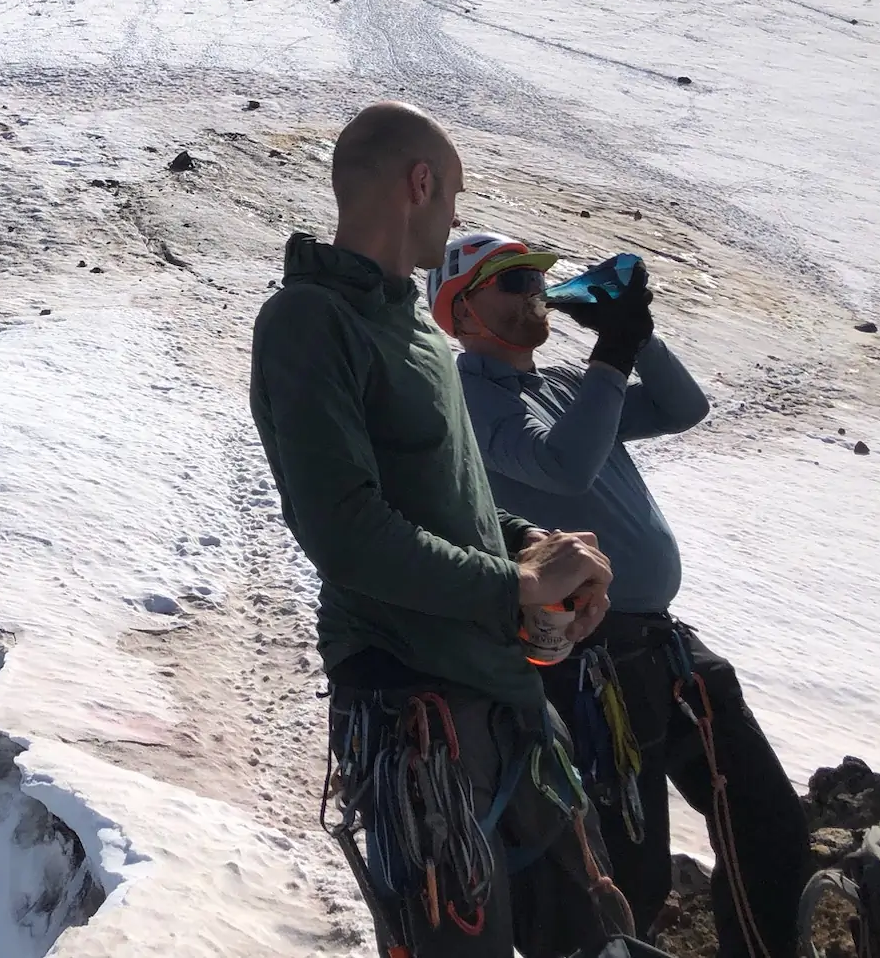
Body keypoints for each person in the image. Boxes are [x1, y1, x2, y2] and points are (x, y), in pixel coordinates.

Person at [249, 103, 632, 958]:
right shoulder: (308, 322)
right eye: (452, 192)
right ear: (419, 182)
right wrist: (513, 587)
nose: (456, 215)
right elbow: (343, 530)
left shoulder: (411, 328)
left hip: (495, 697)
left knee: (585, 936)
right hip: (412, 710)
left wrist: (531, 542)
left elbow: (449, 499)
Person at [430, 232, 809, 958]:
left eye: (536, 277)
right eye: (510, 281)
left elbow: (682, 408)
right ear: (462, 310)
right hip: (583, 657)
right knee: (624, 873)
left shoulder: (565, 386)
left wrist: (632, 339)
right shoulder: (468, 403)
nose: (532, 291)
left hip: (654, 642)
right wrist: (610, 355)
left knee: (764, 822)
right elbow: (562, 466)